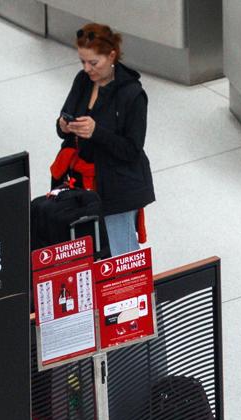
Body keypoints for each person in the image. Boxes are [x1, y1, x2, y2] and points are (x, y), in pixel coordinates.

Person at [54, 23, 154, 256]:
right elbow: (64, 123)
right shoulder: (82, 81)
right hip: (80, 183)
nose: (87, 69)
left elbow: (132, 149)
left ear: (111, 56)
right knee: (87, 249)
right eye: (83, 62)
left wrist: (96, 132)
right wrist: (63, 126)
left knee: (122, 254)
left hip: (118, 186)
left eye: (93, 63)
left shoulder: (133, 95)